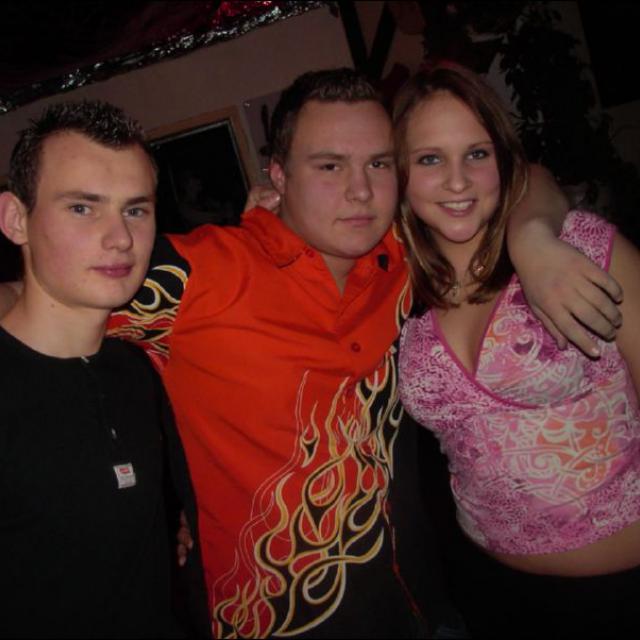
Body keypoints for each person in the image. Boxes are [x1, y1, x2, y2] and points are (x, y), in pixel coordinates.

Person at [0, 69, 623, 638]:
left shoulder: (405, 256)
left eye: (378, 164)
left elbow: (522, 178)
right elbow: (53, 286)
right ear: (277, 175)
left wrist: (533, 240)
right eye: (329, 166)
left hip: (425, 610)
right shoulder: (199, 275)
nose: (360, 192)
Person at [394, 63, 640, 637]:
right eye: (429, 159)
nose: (457, 181)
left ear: (503, 159)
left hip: (622, 589)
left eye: (476, 154)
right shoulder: (396, 287)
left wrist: (531, 236)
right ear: (399, 172)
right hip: (486, 590)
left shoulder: (581, 251)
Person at [0, 101, 208, 638]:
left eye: (135, 210)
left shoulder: (135, 370)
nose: (120, 238)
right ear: (15, 219)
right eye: (82, 208)